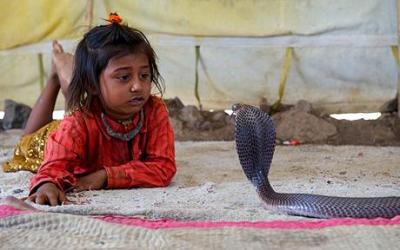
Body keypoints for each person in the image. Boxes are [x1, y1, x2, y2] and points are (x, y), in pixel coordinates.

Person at [3, 13, 176, 206]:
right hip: (48, 142)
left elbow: (163, 167)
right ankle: (55, 76)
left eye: (144, 75)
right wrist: (47, 184)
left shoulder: (154, 109)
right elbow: (53, 167)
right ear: (92, 86)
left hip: (83, 122)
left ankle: (63, 71)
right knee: (27, 140)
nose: (138, 86)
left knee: (77, 104)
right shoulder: (76, 123)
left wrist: (105, 176)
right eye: (124, 77)